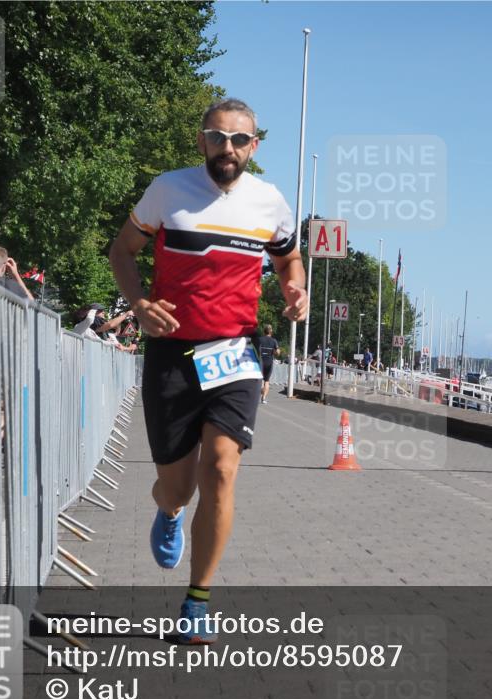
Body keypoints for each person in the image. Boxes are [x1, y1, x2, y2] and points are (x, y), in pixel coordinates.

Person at [108, 98, 307, 645]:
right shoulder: (168, 189)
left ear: (254, 147)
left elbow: (289, 256)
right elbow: (121, 250)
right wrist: (139, 302)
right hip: (173, 354)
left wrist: (297, 286)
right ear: (202, 141)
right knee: (177, 486)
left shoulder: (269, 200)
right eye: (218, 137)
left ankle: (197, 602)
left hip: (234, 353)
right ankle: (169, 511)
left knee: (220, 468)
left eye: (239, 140)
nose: (228, 149)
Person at [256, 324, 279, 404]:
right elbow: (278, 352)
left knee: (260, 379)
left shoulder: (259, 339)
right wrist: (274, 351)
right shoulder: (274, 341)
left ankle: (260, 392)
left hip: (260, 361)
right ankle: (264, 398)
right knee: (267, 380)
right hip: (269, 362)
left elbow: (255, 349)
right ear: (271, 331)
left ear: (264, 331)